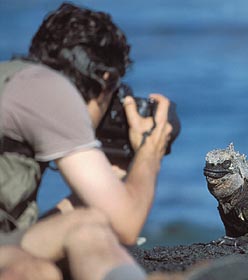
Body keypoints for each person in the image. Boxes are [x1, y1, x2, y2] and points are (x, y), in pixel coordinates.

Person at [0, 2, 172, 279]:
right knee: (39, 268)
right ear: (105, 79)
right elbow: (127, 224)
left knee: (81, 225)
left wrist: (98, 194)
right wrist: (150, 150)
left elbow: (20, 234)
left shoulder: (17, 79)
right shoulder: (53, 90)